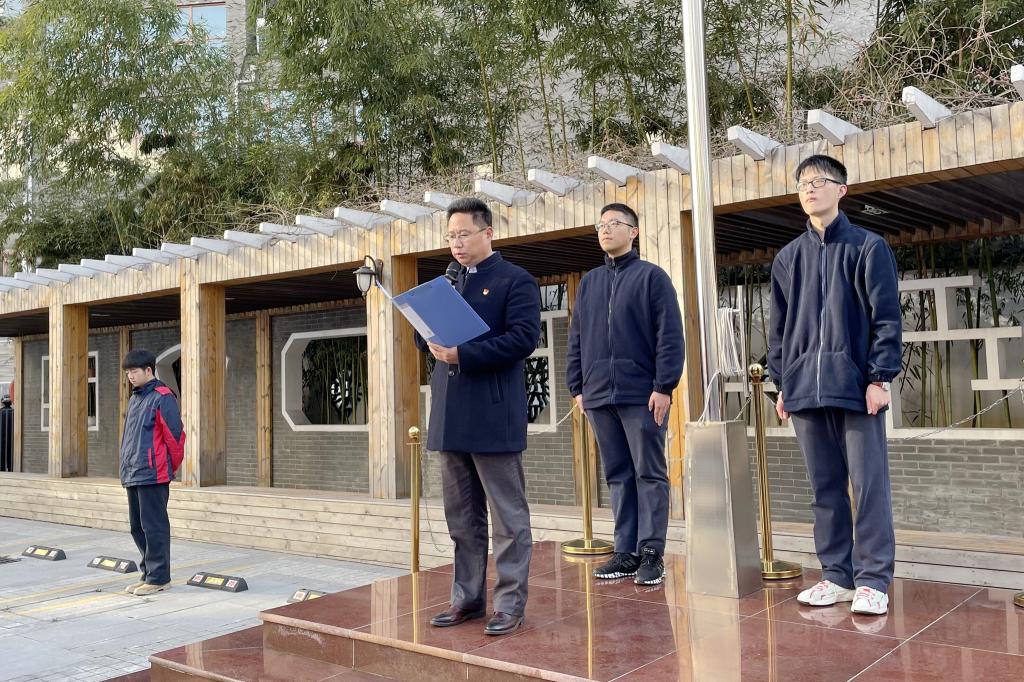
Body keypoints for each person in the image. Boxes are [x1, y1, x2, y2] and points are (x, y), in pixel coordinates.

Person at [768, 154, 902, 616]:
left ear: (841, 190)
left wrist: (880, 377)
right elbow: (778, 330)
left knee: (868, 487)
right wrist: (783, 383)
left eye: (819, 181)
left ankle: (873, 580)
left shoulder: (868, 247)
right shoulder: (788, 258)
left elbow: (886, 317)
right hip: (804, 390)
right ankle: (837, 576)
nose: (810, 188)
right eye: (803, 183)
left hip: (857, 388)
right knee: (824, 490)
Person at [417, 197, 541, 636]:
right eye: (451, 236)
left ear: (487, 233)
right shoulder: (448, 284)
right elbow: (427, 342)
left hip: (493, 414)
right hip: (450, 416)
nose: (456, 243)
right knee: (462, 518)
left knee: (508, 518)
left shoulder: (515, 280)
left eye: (464, 234)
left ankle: (509, 604)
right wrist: (427, 332)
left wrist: (463, 353)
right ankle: (466, 598)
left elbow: (523, 339)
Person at [566, 202, 684, 586]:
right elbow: (576, 337)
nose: (605, 230)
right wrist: (577, 387)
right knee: (618, 474)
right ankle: (626, 551)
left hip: (642, 395)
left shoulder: (652, 278)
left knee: (649, 472)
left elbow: (670, 335)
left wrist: (663, 386)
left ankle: (651, 552)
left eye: (613, 223)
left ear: (633, 232)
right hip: (598, 395)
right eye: (600, 224)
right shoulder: (590, 283)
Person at [119, 349, 186, 596]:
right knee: (137, 527)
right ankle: (148, 573)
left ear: (149, 370)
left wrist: (167, 468)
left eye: (134, 371)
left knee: (153, 526)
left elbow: (175, 437)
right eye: (127, 372)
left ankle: (159, 578)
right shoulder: (135, 398)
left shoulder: (163, 397)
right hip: (133, 473)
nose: (130, 376)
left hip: (153, 474)